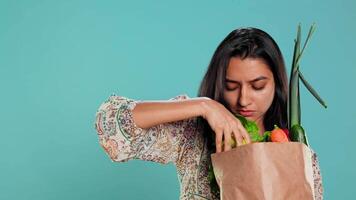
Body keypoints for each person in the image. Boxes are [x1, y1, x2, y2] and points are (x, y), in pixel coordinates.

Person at [94, 27, 323, 200]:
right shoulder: (192, 134)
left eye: (257, 86)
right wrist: (204, 105)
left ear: (277, 85)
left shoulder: (295, 149)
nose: (243, 99)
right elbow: (112, 124)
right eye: (231, 86)